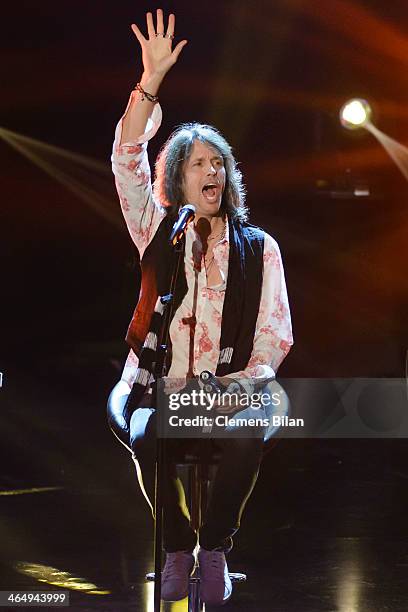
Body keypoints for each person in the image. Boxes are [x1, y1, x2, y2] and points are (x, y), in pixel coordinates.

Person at [110, 8, 293, 606]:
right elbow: (126, 159)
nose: (213, 170)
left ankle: (214, 548)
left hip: (231, 389)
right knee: (148, 435)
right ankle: (176, 550)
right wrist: (149, 83)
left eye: (221, 163)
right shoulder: (159, 231)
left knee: (243, 435)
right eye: (200, 163)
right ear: (178, 180)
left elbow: (272, 336)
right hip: (161, 386)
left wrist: (239, 387)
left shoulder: (259, 248)